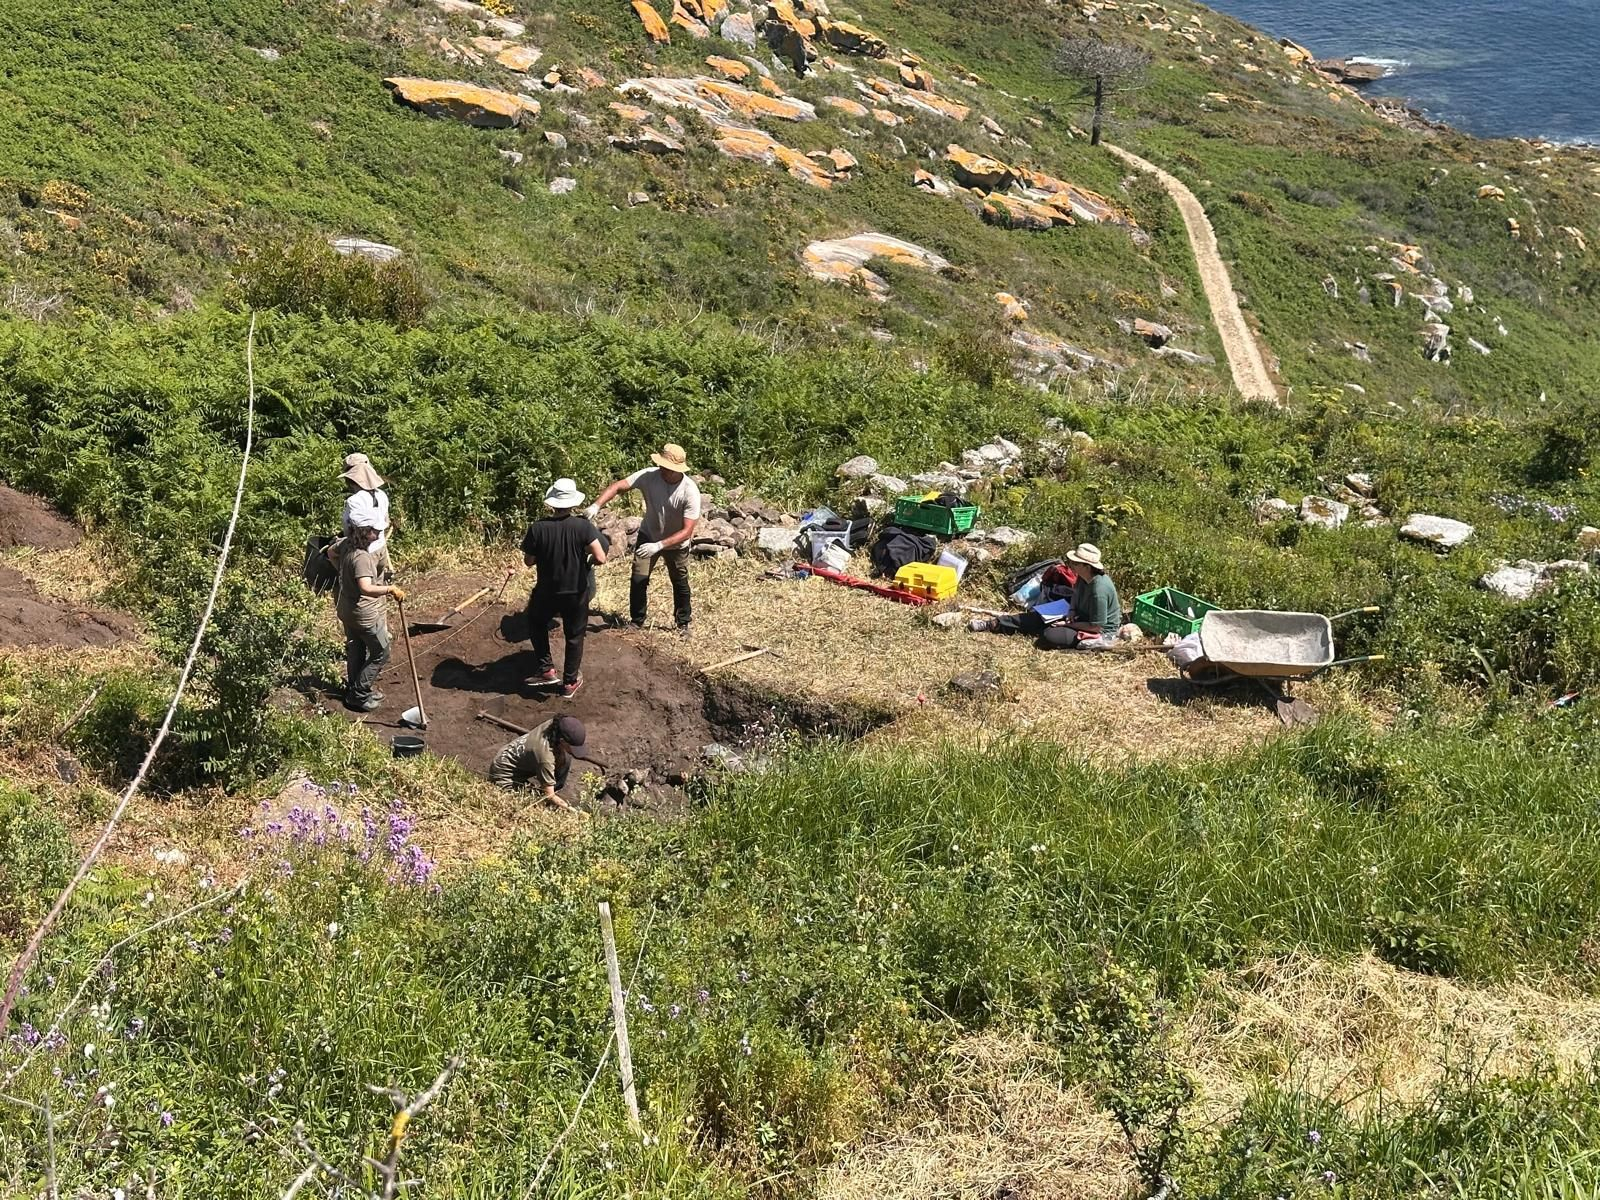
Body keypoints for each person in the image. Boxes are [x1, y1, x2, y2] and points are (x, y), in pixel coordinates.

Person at [586, 442, 701, 631]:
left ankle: (683, 623)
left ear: (677, 470)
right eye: (662, 466)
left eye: (668, 468)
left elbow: (687, 531)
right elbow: (618, 486)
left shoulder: (689, 491)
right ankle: (637, 620)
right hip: (649, 534)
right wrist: (596, 505)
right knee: (639, 578)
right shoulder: (649, 476)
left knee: (680, 581)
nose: (663, 470)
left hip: (676, 543)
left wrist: (659, 545)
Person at [514, 479, 608, 699]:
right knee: (574, 635)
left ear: (552, 503)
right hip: (576, 591)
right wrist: (584, 559)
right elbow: (601, 558)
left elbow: (529, 561)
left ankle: (546, 669)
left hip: (547, 591)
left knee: (536, 624)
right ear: (573, 503)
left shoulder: (538, 528)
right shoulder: (583, 526)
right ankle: (569, 682)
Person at [971, 543, 1122, 648]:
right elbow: (1076, 593)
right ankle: (994, 624)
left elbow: (1096, 626)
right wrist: (1072, 611)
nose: (1072, 565)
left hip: (1097, 630)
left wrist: (1068, 624)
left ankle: (1057, 633)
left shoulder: (1099, 591)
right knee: (1038, 616)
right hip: (1079, 616)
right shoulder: (1083, 577)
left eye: (1076, 563)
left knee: (1049, 635)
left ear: (1087, 566)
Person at [336, 525, 405, 711]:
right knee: (381, 652)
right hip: (363, 614)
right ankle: (359, 694)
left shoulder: (345, 545)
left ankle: (354, 689)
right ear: (364, 532)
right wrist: (390, 589)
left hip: (347, 609)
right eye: (374, 530)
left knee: (356, 648)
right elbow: (366, 587)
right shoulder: (362, 558)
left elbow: (330, 553)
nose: (379, 533)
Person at [487, 715, 598, 810]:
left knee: (566, 758)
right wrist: (572, 810)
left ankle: (554, 786)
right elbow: (548, 796)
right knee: (534, 802)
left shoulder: (555, 724)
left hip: (510, 754)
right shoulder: (545, 757)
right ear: (562, 741)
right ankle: (549, 791)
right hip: (503, 775)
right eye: (572, 747)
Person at [340, 452, 394, 579]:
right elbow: (385, 520)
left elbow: (351, 529)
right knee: (378, 585)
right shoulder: (381, 494)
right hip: (380, 548)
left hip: (364, 553)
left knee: (361, 593)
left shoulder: (355, 500)